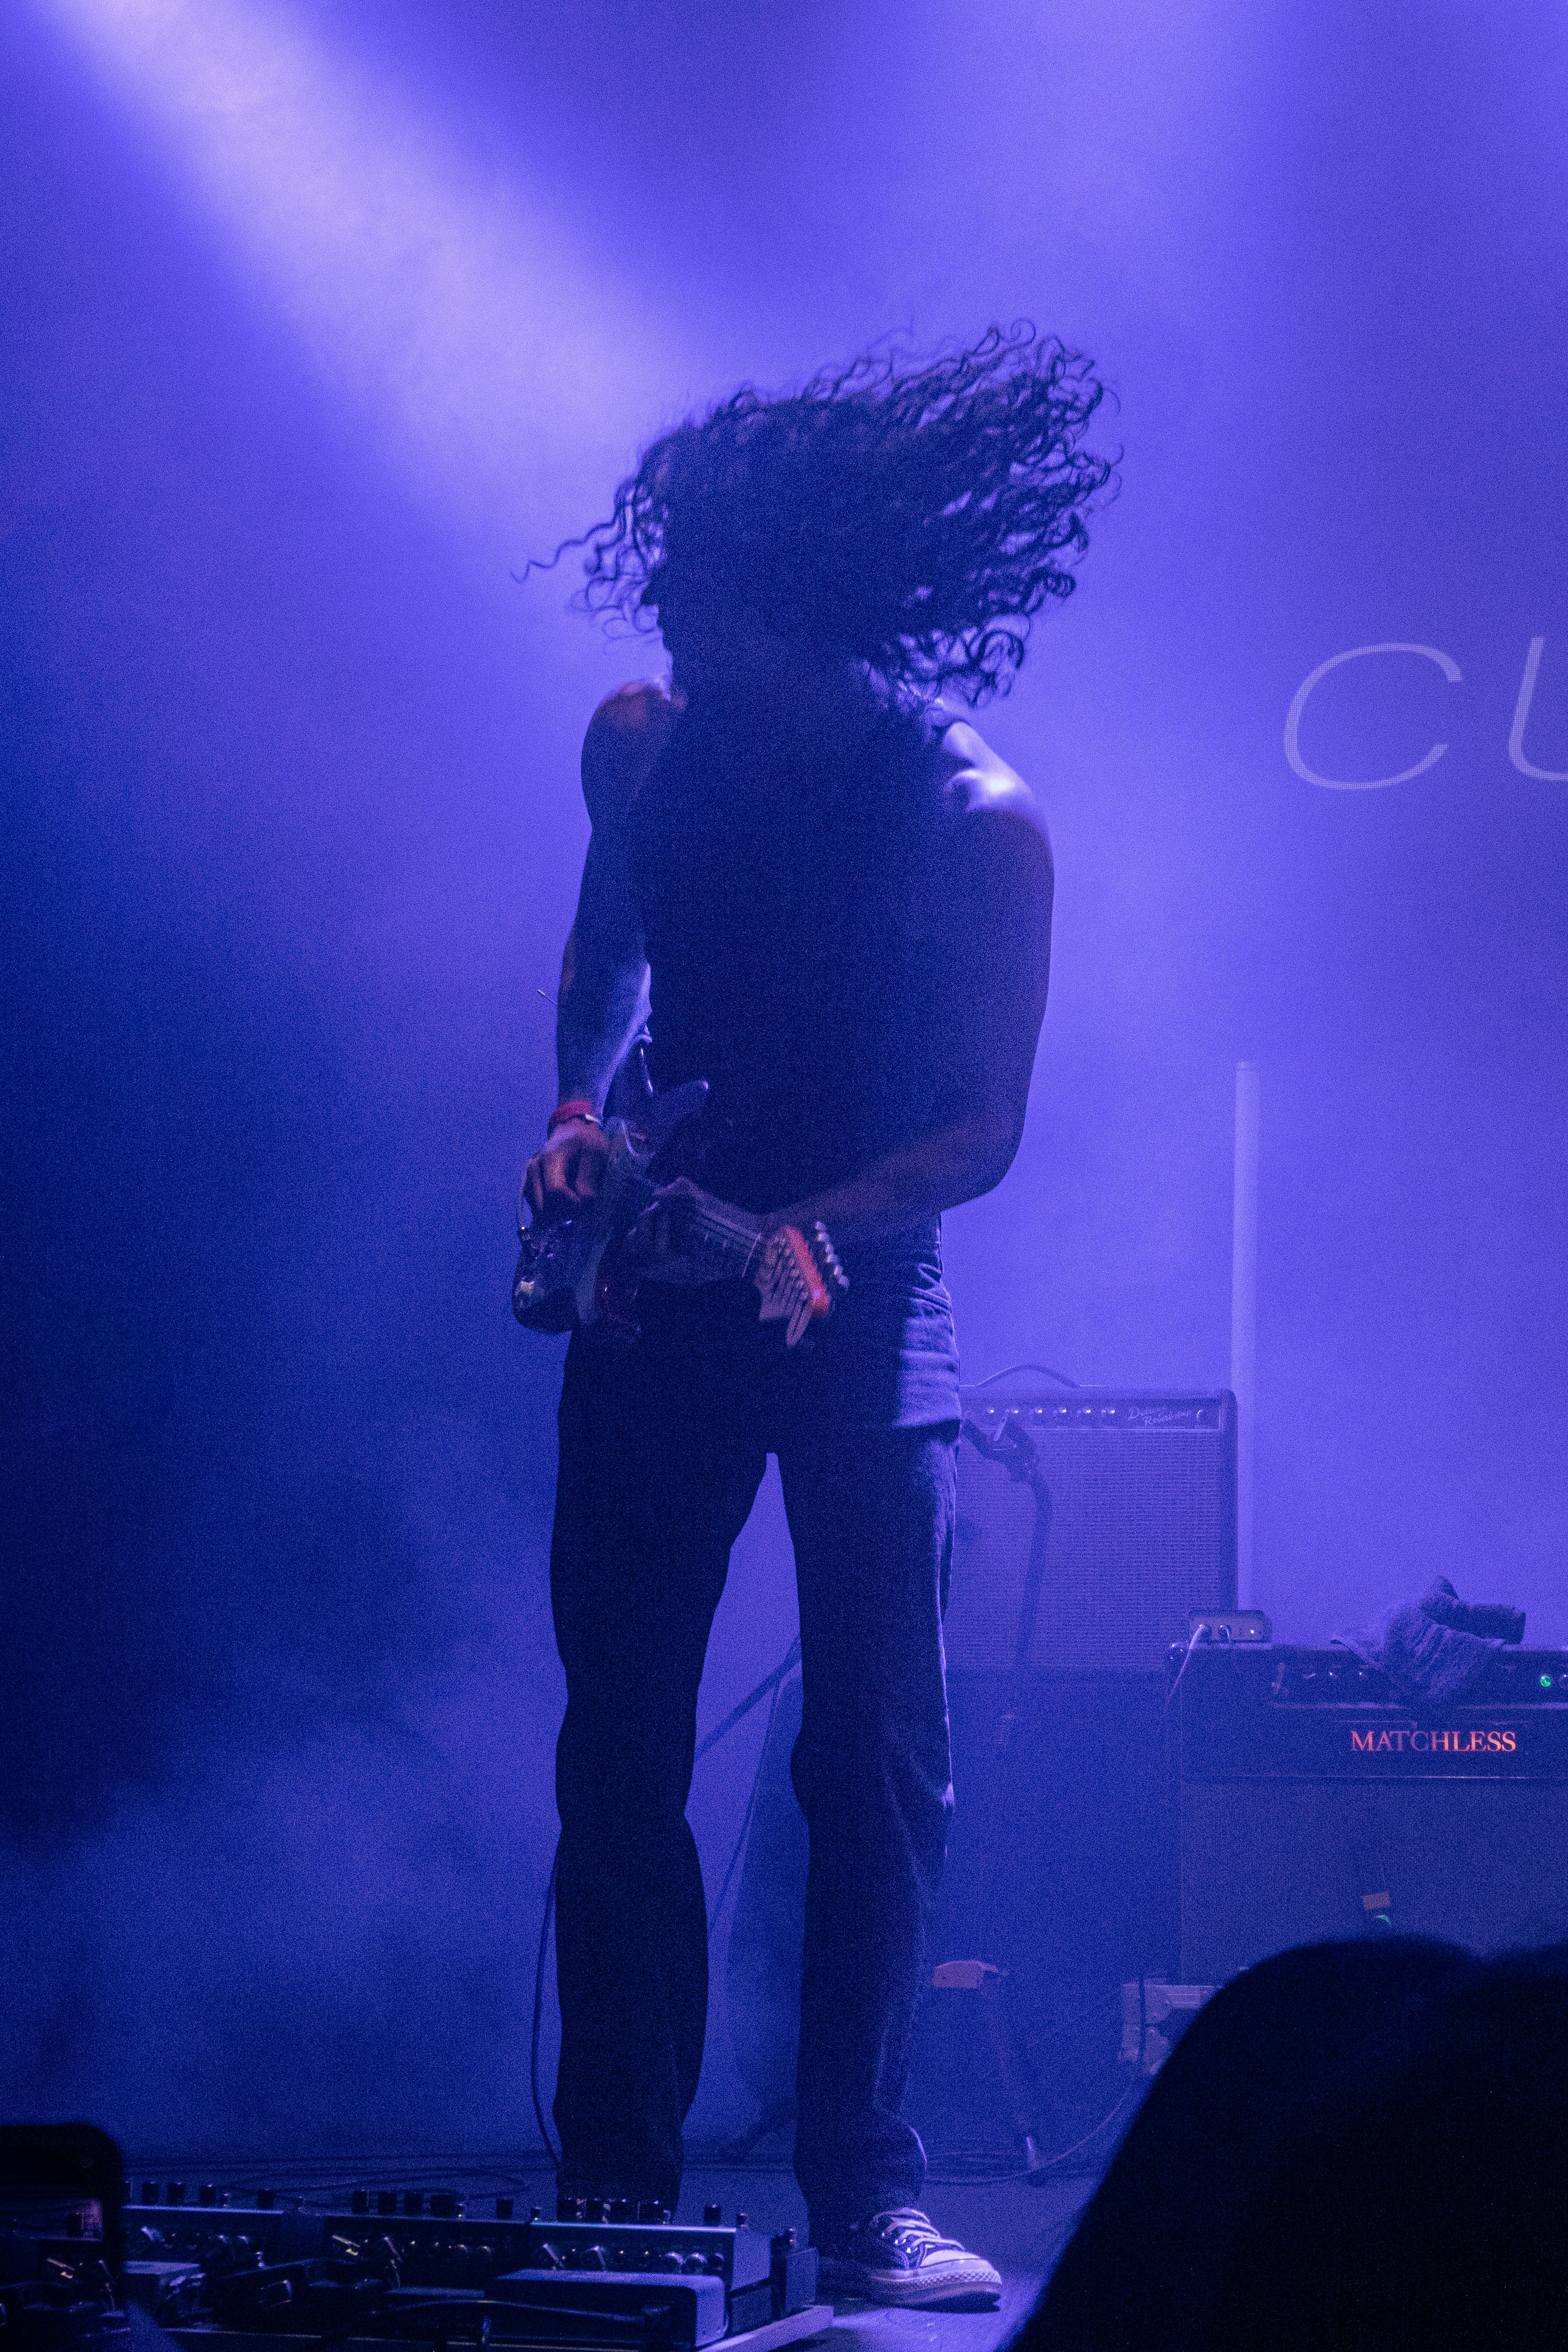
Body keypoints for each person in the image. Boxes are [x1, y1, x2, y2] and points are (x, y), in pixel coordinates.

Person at [521, 325, 1111, 2305]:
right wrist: (579, 1125)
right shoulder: (639, 745)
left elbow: (980, 1128)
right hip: (656, 1298)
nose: (664, 613)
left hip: (854, 1304)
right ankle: (616, 2171)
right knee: (619, 1739)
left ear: (795, 589)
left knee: (869, 1751)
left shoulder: (974, 819)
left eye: (694, 580)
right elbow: (599, 963)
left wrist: (789, 1223)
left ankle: (863, 2180)